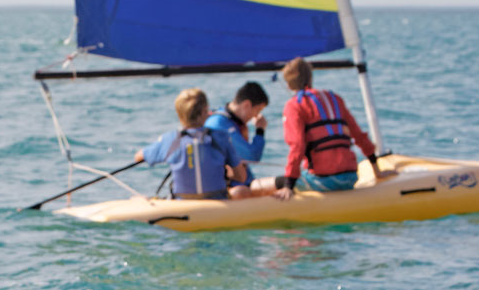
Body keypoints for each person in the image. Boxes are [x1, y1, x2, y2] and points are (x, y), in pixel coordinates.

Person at [271, 57, 381, 201]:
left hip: (323, 181)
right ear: (310, 77)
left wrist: (288, 185)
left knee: (270, 183)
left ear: (289, 85)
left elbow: (297, 145)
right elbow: (359, 135)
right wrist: (377, 170)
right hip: (350, 177)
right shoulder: (335, 98)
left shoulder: (294, 106)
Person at [133, 88, 244, 201]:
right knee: (241, 191)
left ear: (179, 114)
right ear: (204, 111)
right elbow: (241, 177)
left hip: (182, 204)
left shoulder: (170, 139)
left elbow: (138, 157)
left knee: (137, 199)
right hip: (217, 202)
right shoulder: (221, 137)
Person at [204, 82, 270, 194]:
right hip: (232, 188)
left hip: (245, 183)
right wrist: (260, 130)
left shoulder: (232, 122)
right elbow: (252, 156)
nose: (256, 117)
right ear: (246, 105)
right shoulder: (220, 124)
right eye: (257, 111)